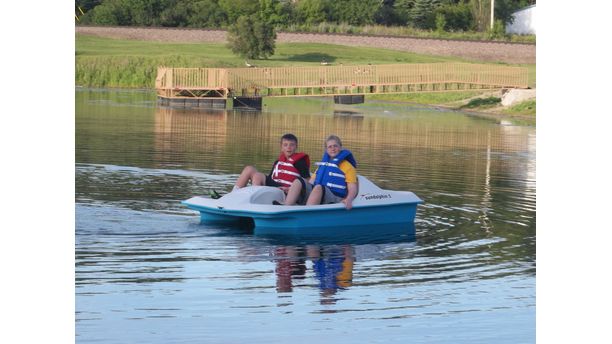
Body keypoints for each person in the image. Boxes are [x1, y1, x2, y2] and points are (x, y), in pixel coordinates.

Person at [281, 135, 358, 209]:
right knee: (299, 180)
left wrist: (349, 199)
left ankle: (306, 213)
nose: (333, 149)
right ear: (326, 150)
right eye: (330, 147)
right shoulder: (323, 165)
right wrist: (292, 189)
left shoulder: (348, 166)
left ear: (340, 147)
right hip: (319, 193)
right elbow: (311, 182)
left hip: (335, 197)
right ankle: (286, 208)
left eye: (335, 146)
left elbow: (352, 188)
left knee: (318, 187)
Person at [227, 133, 310, 196]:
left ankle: (255, 199)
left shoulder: (300, 162)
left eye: (292, 145)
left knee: (257, 176)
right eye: (285, 145)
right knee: (251, 170)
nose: (288, 147)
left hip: (287, 191)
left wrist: (290, 189)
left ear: (296, 147)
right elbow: (271, 177)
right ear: (281, 147)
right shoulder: (278, 162)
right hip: (275, 186)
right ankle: (233, 195)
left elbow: (307, 181)